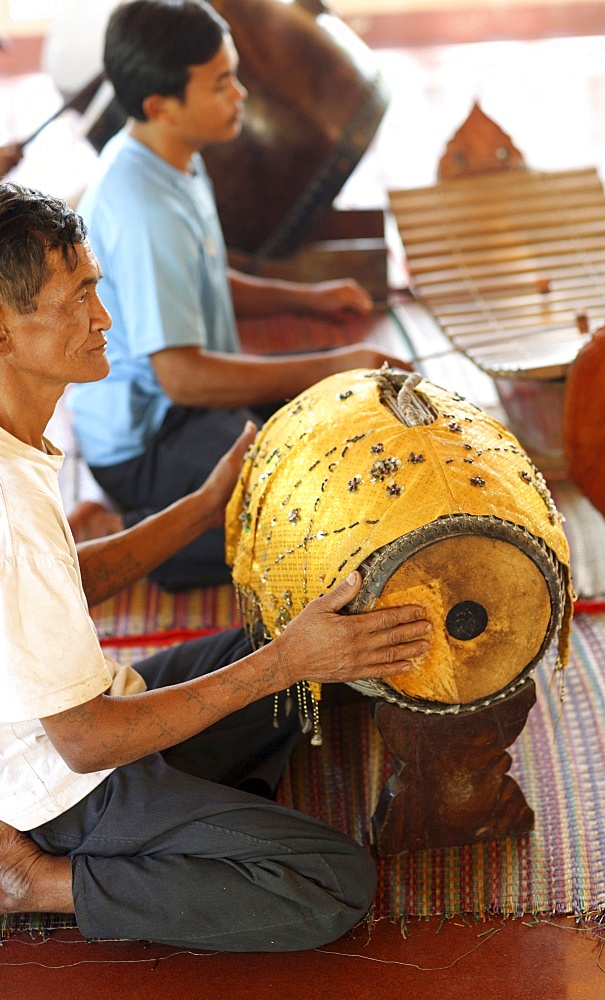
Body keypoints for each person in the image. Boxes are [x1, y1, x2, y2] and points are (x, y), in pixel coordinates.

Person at [0, 181, 431, 951]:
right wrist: (282, 663)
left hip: (75, 725)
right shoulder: (9, 508)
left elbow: (60, 586)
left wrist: (204, 507)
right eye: (80, 297)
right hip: (58, 789)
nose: (104, 317)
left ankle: (188, 812)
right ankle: (42, 881)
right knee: (332, 882)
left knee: (319, 645)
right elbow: (86, 743)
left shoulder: (16, 439)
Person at [68, 0, 410, 590]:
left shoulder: (168, 154)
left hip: (194, 404)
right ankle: (129, 530)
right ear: (161, 106)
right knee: (319, 516)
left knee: (339, 433)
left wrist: (307, 300)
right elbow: (183, 377)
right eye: (222, 82)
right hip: (151, 441)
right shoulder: (143, 206)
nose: (241, 95)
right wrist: (335, 363)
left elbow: (198, 275)